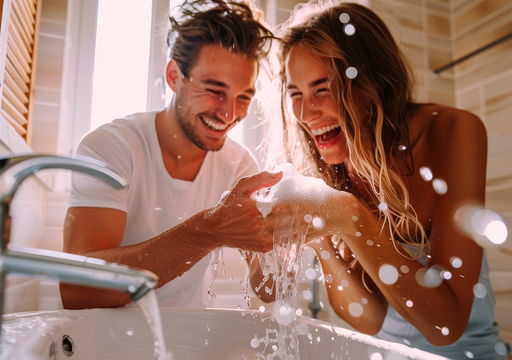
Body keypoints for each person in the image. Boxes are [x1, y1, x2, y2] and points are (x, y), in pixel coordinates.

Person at [259, 2, 509, 359]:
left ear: (373, 79)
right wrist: (321, 239)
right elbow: (370, 319)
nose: (304, 113)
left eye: (323, 87)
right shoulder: (337, 169)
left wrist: (351, 216)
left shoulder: (452, 132)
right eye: (295, 93)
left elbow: (445, 326)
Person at [59, 0, 281, 310]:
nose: (230, 113)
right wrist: (207, 231)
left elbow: (266, 288)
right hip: (104, 341)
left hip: (187, 342)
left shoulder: (239, 166)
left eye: (243, 97)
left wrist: (292, 236)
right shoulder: (112, 147)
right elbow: (77, 290)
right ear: (174, 75)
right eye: (214, 89)